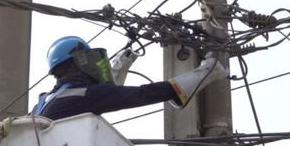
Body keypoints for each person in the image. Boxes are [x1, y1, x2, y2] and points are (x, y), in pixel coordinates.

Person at [33, 36, 228, 121]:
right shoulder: (85, 95)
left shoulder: (43, 102)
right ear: (79, 63)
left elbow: (107, 95)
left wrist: (121, 64)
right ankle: (212, 71)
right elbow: (141, 94)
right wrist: (206, 72)